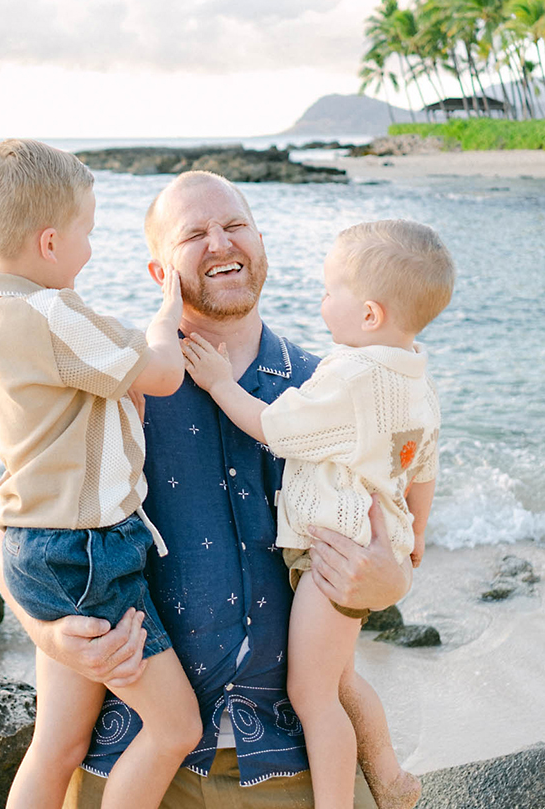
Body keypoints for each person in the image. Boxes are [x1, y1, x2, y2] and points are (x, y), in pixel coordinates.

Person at [0, 168, 411, 807]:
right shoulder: (114, 380)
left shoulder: (331, 386)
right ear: (159, 273)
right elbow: (18, 522)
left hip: (288, 756)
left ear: (261, 243)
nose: (221, 243)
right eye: (194, 234)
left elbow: (399, 533)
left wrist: (392, 580)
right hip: (133, 759)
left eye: (236, 225)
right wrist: (42, 631)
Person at [181, 219, 455, 809]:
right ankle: (390, 775)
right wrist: (416, 538)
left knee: (313, 696)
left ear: (371, 315)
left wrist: (222, 385)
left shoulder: (352, 378)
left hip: (334, 558)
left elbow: (277, 428)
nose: (321, 301)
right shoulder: (416, 379)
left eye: (332, 292)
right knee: (340, 680)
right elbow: (425, 470)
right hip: (365, 547)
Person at [0, 139, 203, 809]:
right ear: (48, 243)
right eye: (87, 234)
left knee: (57, 746)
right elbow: (160, 373)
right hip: (87, 554)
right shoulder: (53, 313)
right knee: (175, 727)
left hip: (34, 544)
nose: (91, 251)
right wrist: (166, 315)